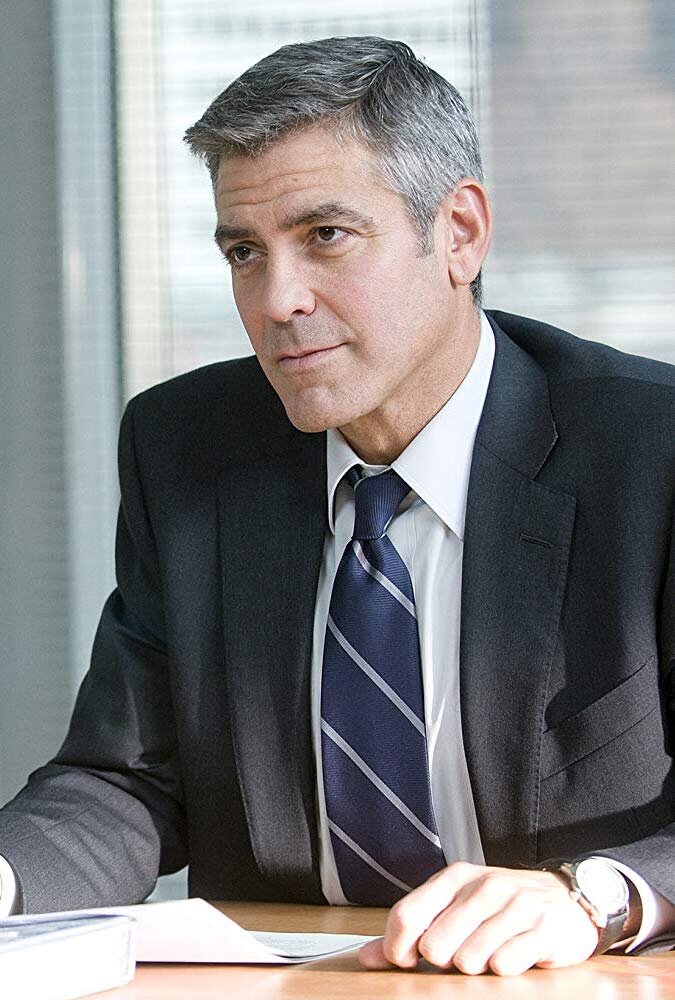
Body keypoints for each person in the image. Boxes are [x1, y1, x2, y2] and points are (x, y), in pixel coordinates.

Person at [0, 36, 673, 976]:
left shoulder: (648, 453)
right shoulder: (187, 447)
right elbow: (127, 780)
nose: (276, 300)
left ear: (459, 233)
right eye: (244, 251)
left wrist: (594, 896)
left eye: (324, 236)